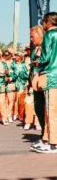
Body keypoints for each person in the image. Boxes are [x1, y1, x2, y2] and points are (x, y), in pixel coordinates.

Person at [33, 12, 57, 153]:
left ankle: (53, 143)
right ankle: (47, 139)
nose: (43, 24)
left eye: (44, 21)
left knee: (50, 110)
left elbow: (46, 56)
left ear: (48, 22)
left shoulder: (49, 35)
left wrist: (37, 62)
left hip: (52, 76)